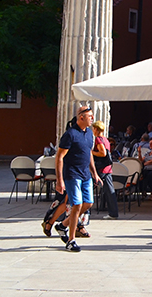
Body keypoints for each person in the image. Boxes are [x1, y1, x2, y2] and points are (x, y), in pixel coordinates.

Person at [54, 104, 99, 253]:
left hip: (86, 174)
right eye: (90, 116)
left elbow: (89, 154)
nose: (92, 118)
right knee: (77, 205)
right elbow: (59, 157)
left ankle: (62, 225)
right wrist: (59, 180)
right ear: (81, 117)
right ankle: (71, 240)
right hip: (72, 174)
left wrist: (94, 173)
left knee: (88, 203)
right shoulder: (70, 134)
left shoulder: (89, 133)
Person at [91, 120, 118, 219]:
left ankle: (84, 211)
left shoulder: (98, 139)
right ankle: (113, 213)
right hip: (107, 168)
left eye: (93, 128)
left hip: (101, 169)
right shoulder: (105, 139)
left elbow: (103, 153)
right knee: (110, 191)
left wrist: (91, 152)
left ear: (96, 129)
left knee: (87, 186)